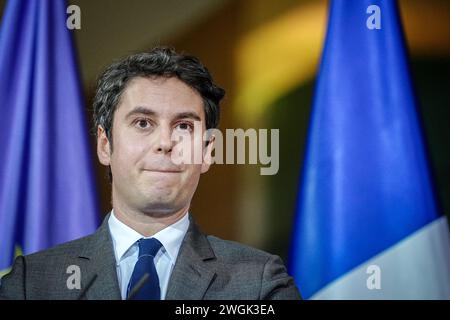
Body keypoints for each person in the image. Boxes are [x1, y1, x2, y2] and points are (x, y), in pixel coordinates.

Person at [0, 47, 301, 300]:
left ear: (208, 150)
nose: (165, 143)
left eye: (184, 126)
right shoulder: (32, 283)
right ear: (105, 145)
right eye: (143, 123)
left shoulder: (259, 283)